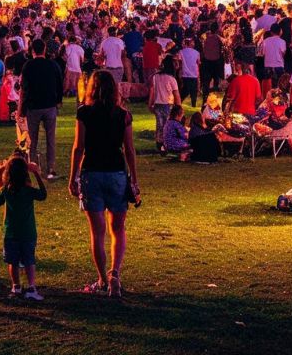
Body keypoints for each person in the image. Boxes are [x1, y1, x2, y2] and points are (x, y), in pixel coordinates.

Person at [68, 70, 138, 298]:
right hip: (117, 173)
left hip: (92, 173)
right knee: (118, 229)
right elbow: (129, 149)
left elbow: (79, 147)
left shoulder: (84, 113)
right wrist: (134, 179)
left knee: (97, 232)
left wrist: (73, 177)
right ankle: (114, 274)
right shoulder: (123, 115)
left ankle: (101, 279)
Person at [0, 152, 47, 301]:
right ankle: (31, 287)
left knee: (13, 261)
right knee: (29, 260)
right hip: (28, 232)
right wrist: (37, 174)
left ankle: (16, 286)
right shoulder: (29, 191)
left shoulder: (7, 191)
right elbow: (43, 195)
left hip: (10, 233)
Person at [20, 39, 63, 180]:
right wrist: (58, 100)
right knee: (50, 138)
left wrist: (21, 108)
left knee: (33, 138)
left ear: (32, 51)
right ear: (44, 49)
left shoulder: (28, 66)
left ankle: (32, 165)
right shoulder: (52, 65)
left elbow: (24, 88)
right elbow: (59, 83)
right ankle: (50, 167)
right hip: (50, 105)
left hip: (33, 106)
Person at [148, 57, 181, 149]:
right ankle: (167, 144)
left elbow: (153, 91)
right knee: (167, 126)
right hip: (168, 105)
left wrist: (150, 104)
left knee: (159, 125)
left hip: (158, 104)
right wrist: (179, 108)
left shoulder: (156, 77)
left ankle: (159, 144)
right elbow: (176, 95)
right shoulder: (171, 79)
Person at [176, 38, 200, 108]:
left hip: (185, 74)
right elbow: (198, 63)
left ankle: (179, 103)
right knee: (193, 91)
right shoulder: (197, 52)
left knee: (185, 90)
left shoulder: (181, 52)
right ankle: (193, 105)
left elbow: (179, 62)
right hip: (194, 74)